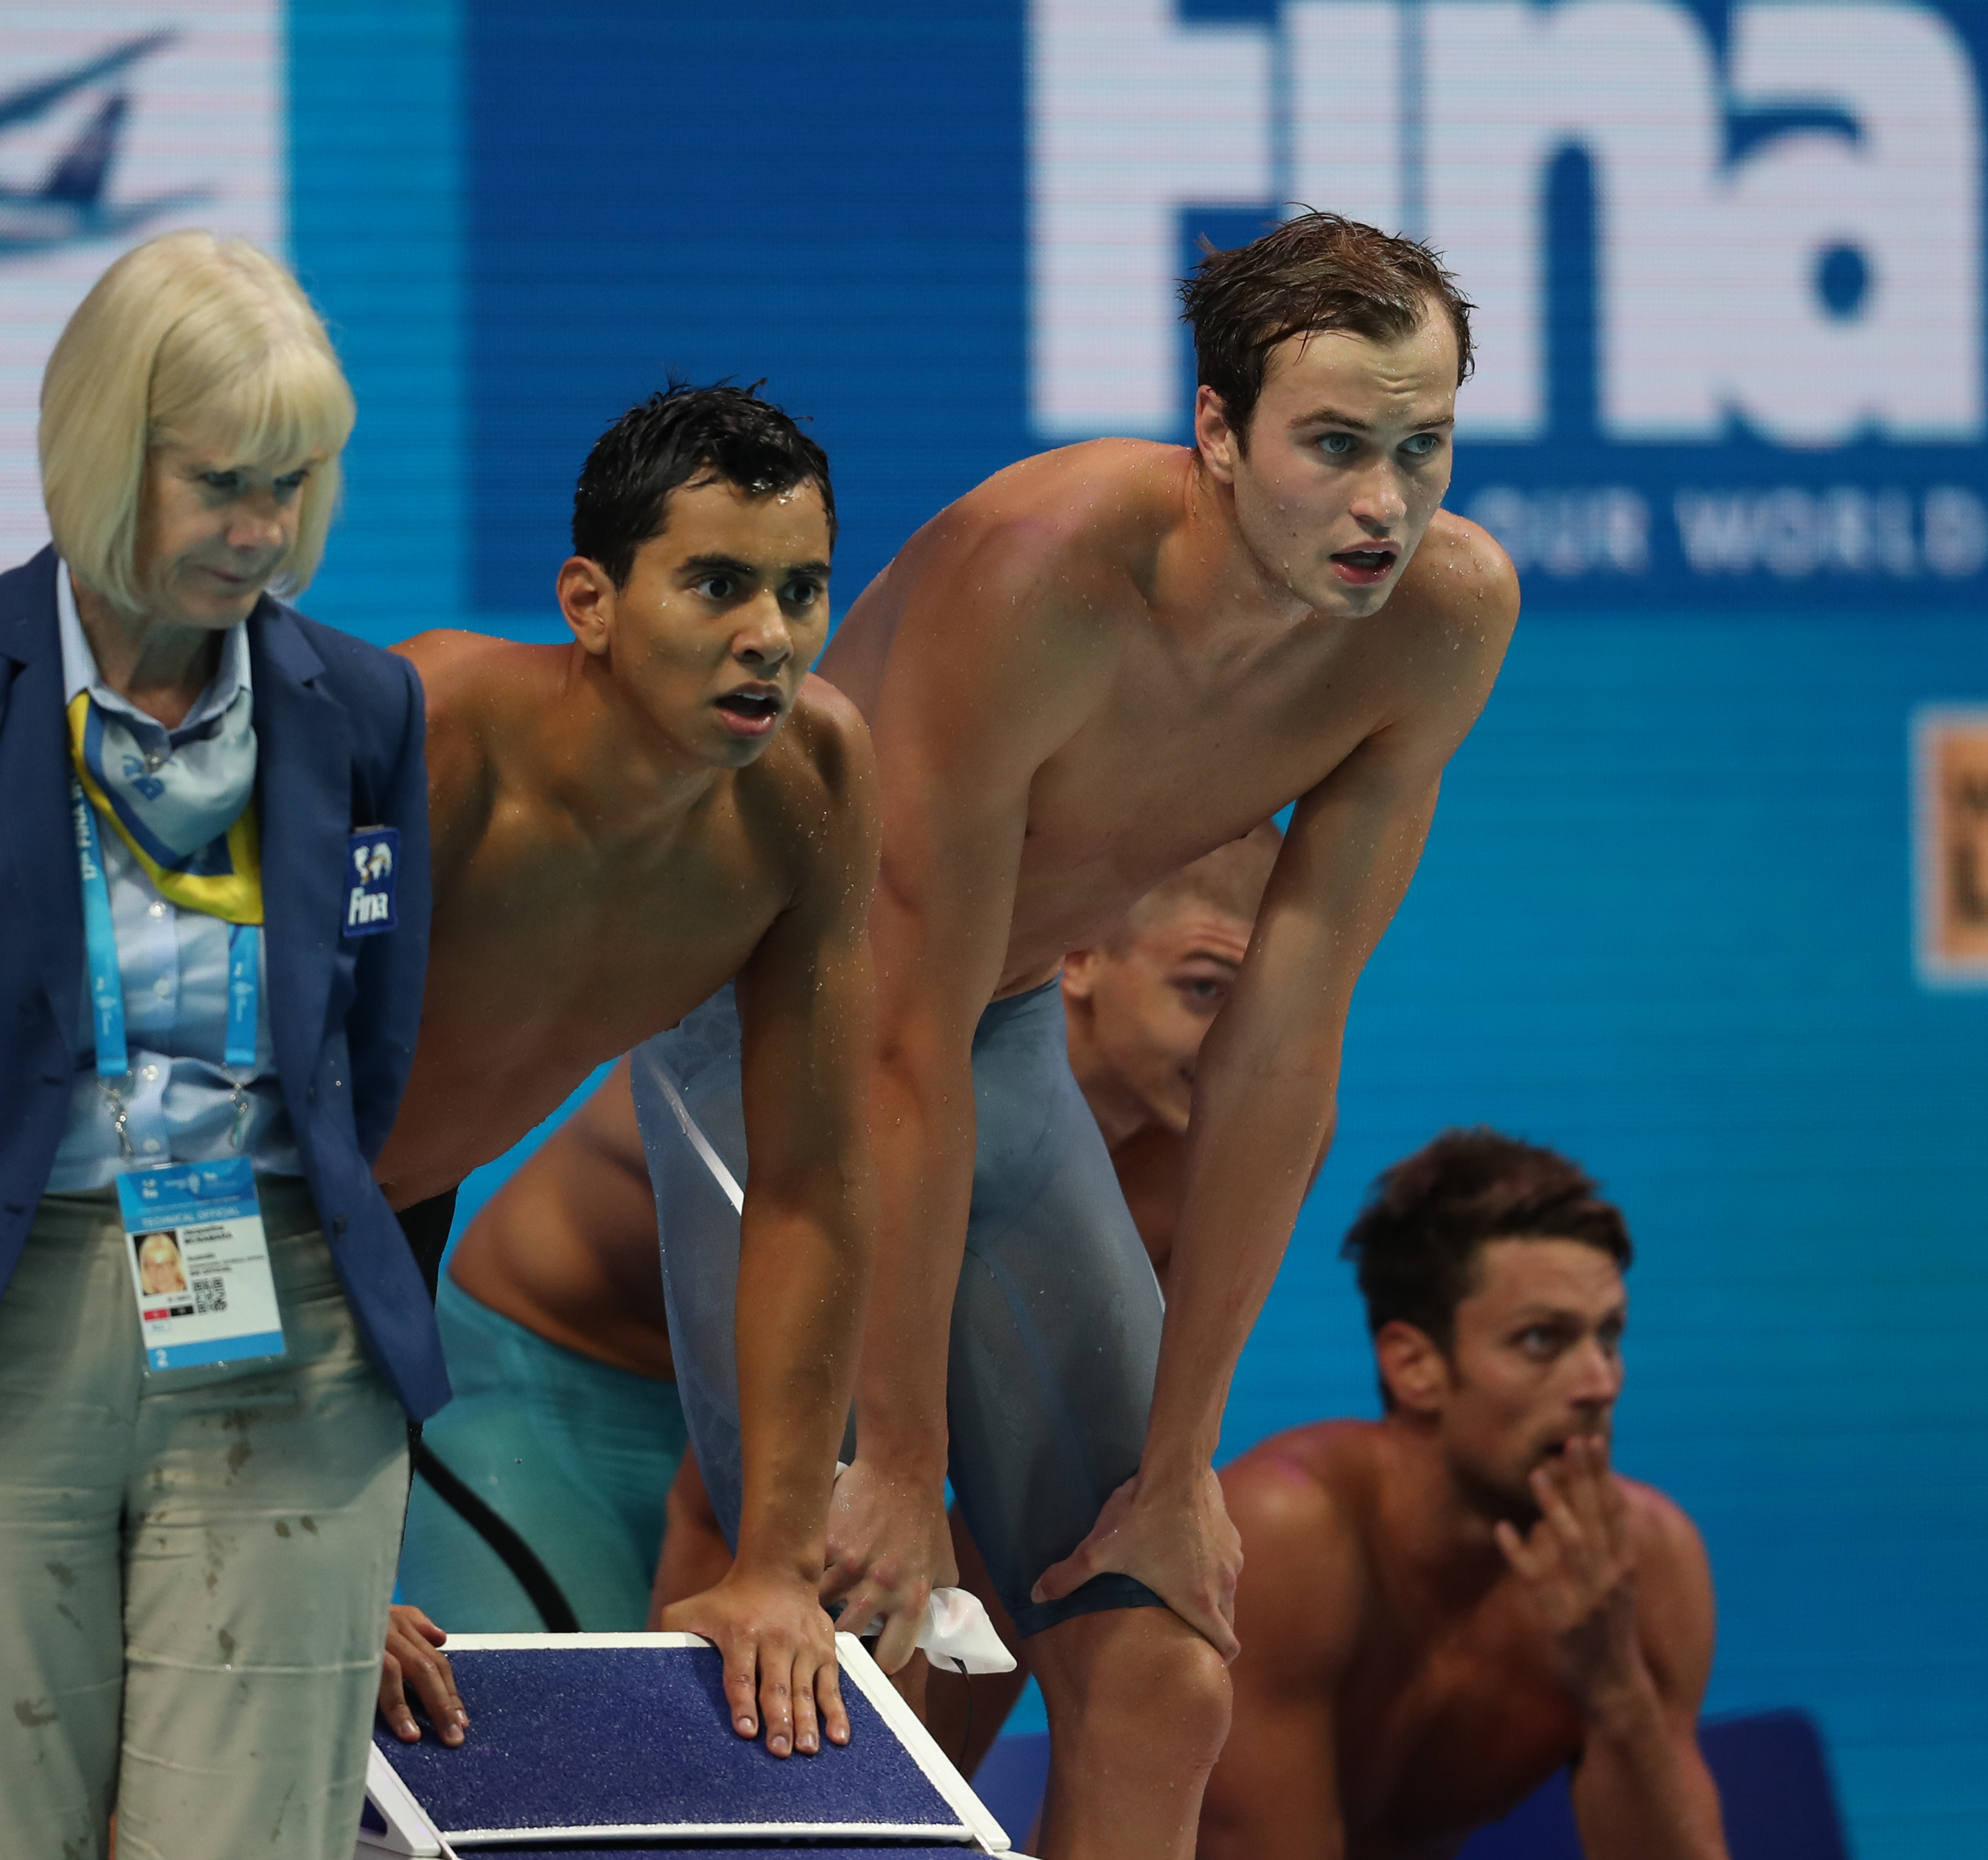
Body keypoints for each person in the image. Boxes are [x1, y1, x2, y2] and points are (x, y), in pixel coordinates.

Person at [631, 211, 1517, 1857]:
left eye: (1421, 446)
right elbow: (888, 1025)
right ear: (1213, 433)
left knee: (1159, 1650)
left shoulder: (1442, 620)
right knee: (850, 1619)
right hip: (768, 1020)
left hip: (1000, 1020)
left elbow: (1285, 1037)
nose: (1384, 505)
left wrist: (1180, 1465)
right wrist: (900, 1452)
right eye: (1330, 445)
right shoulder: (1039, 570)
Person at [0, 229, 437, 1860]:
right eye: (219, 484)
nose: (261, 531)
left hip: (280, 1323)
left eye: (294, 483)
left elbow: (376, 1049)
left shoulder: (369, 709)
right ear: (97, 449)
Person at [394, 829, 1281, 1662]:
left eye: (1260, 1003)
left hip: (759, 1408)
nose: (1230, 1041)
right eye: (1202, 990)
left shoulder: (1237, 1147)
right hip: (542, 1395)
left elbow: (1024, 1547)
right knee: (568, 1770)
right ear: (1080, 959)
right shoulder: (889, 1092)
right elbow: (716, 1512)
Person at [373, 383, 882, 1762]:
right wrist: (292, 1529)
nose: (767, 637)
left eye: (800, 589)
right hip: (168, 1237)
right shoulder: (427, 736)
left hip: (384, 1222)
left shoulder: (809, 782)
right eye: (717, 584)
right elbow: (215, 1109)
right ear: (588, 601)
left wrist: (775, 1561)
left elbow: (807, 1187)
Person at [1205, 1130, 1727, 1859]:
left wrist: (1615, 1689)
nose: (1600, 1383)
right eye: (1543, 1340)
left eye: (1608, 1337)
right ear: (1415, 1365)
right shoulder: (1284, 1535)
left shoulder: (1646, 1561)